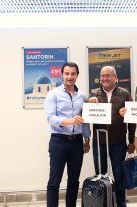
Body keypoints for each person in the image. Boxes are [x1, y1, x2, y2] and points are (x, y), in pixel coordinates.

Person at [44, 62, 91, 207]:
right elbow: (50, 118)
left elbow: (85, 119)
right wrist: (69, 121)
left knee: (74, 181)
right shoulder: (53, 94)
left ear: (77, 75)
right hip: (59, 141)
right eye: (67, 74)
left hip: (77, 142)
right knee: (54, 181)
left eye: (73, 74)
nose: (70, 77)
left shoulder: (82, 96)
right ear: (62, 75)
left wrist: (87, 138)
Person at [88, 66, 136, 207]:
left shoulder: (125, 94)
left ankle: (121, 204)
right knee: (100, 177)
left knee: (119, 176)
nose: (105, 78)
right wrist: (88, 103)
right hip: (99, 143)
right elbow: (85, 116)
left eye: (108, 75)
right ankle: (102, 203)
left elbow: (131, 119)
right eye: (102, 76)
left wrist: (131, 141)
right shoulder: (94, 94)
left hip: (118, 142)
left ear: (115, 78)